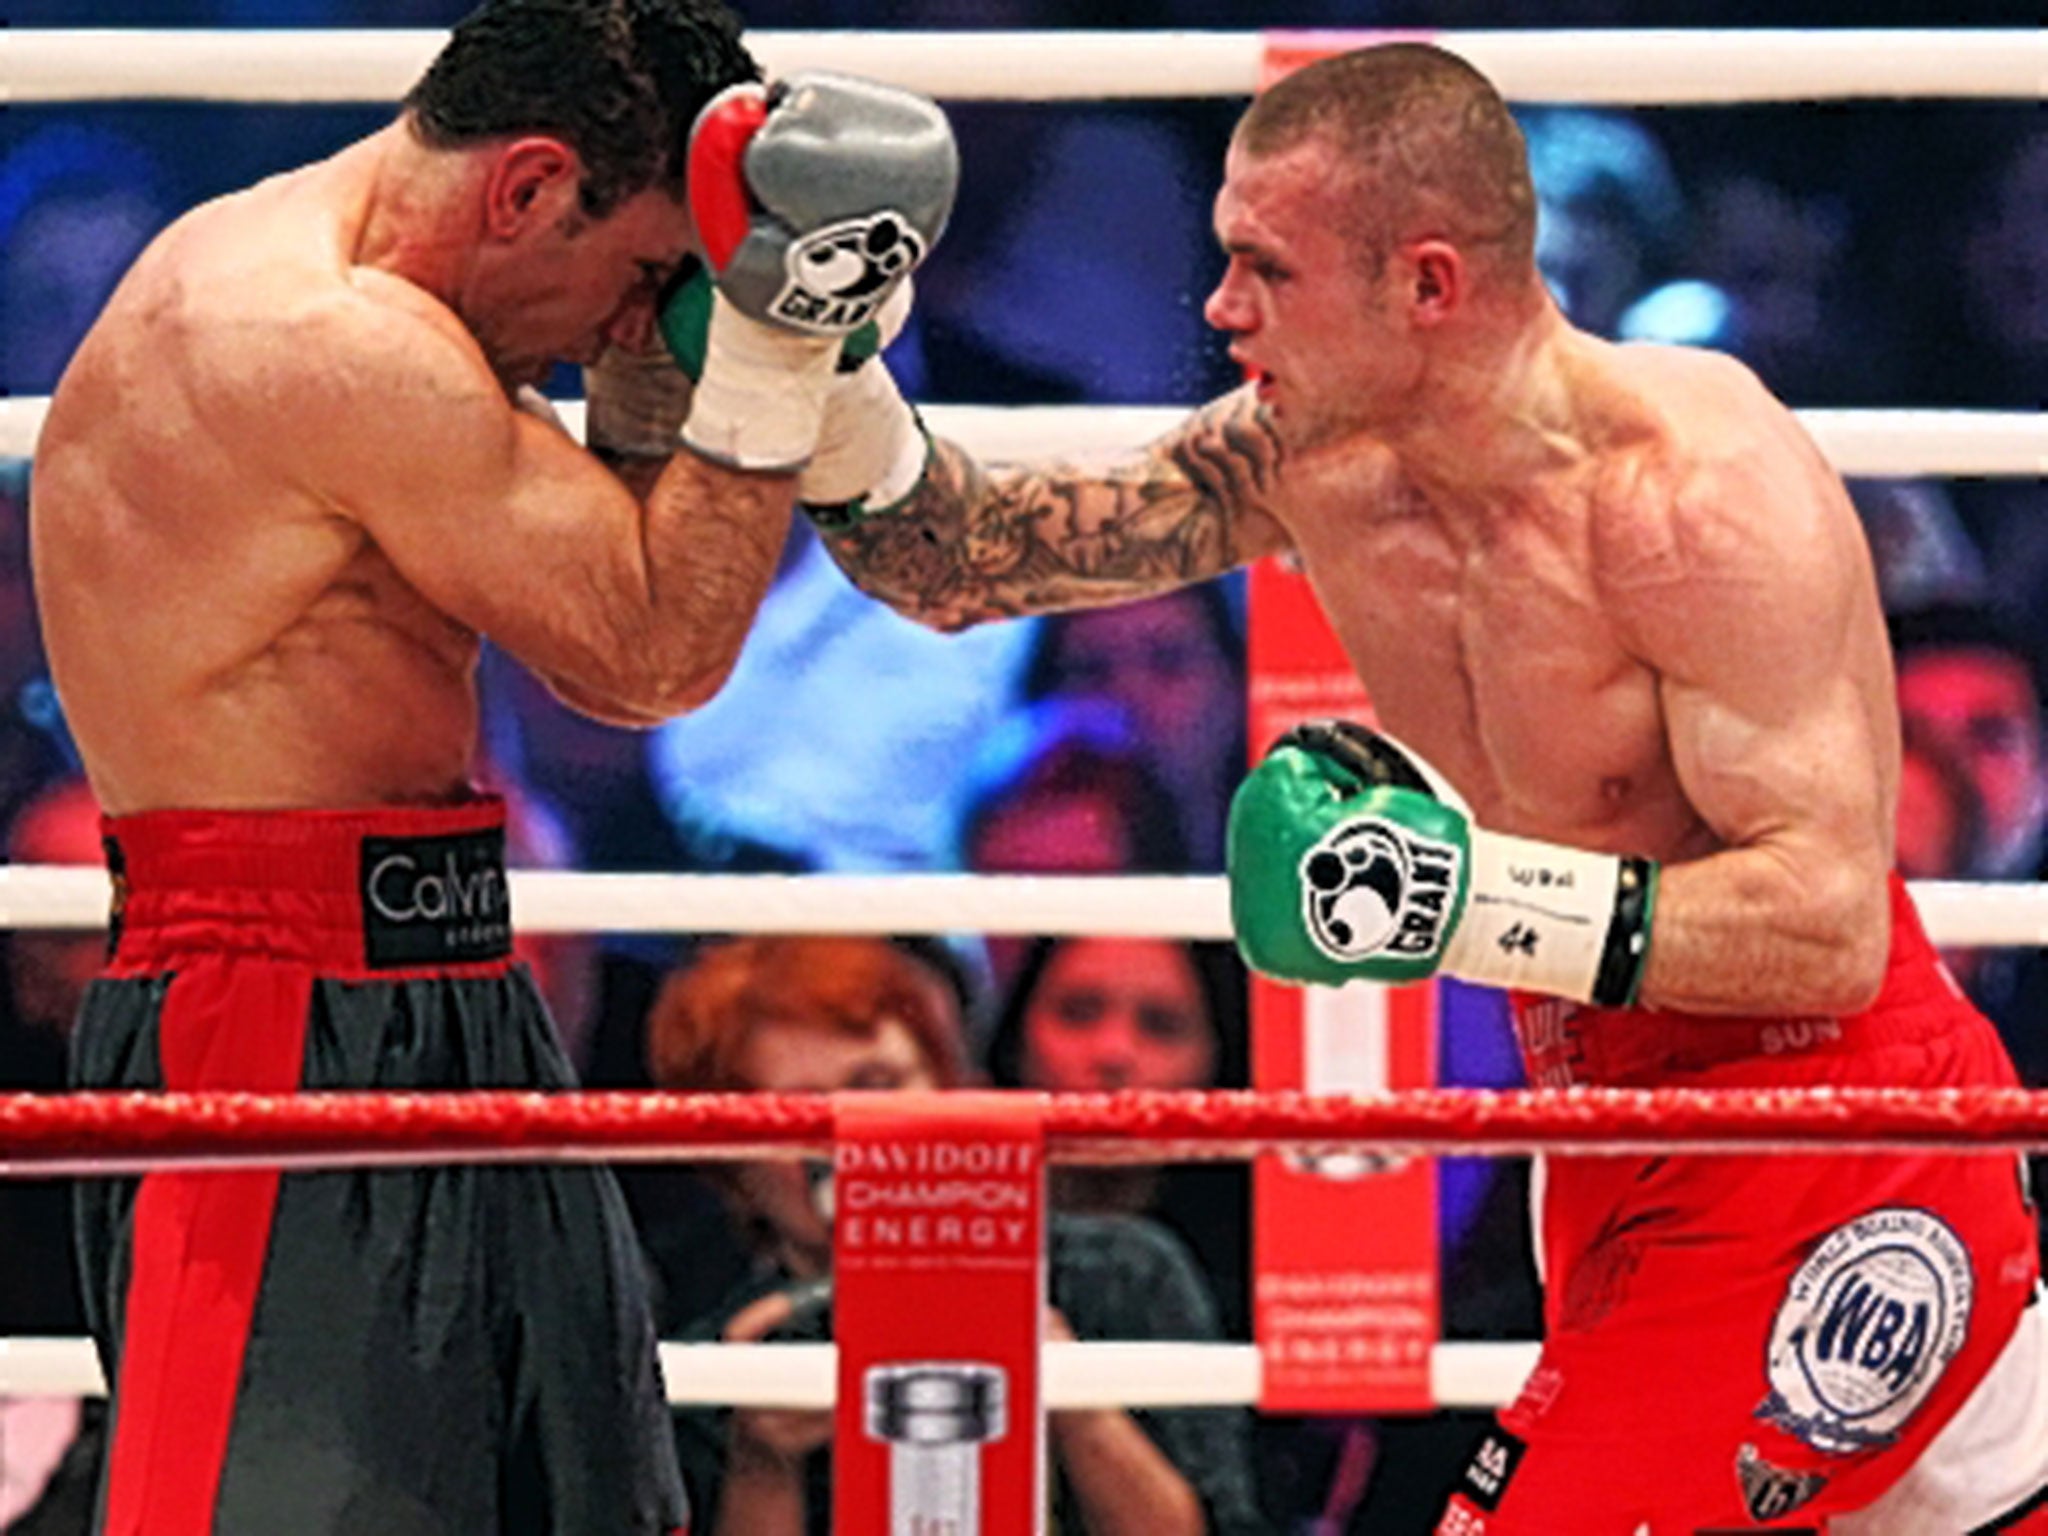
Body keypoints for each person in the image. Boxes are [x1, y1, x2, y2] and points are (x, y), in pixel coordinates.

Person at [792, 41, 2048, 1532]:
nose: (1220, 309)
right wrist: (808, 349)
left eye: (1266, 267)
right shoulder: (1308, 455)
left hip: (1814, 1127)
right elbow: (960, 562)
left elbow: (1825, 930)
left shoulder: (1696, 496)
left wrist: (1454, 897)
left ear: (1428, 286)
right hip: (1600, 1116)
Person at [26, 0, 956, 1526]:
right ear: (527, 187)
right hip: (272, 1017)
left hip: (453, 982)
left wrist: (699, 355)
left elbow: (621, 648)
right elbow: (648, 655)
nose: (628, 324)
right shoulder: (324, 337)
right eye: (648, 274)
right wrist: (773, 346)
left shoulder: (403, 307)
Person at [644, 933, 1269, 1536]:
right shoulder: (718, 1350)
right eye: (801, 1114)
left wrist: (1075, 1396)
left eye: (878, 1087)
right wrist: (764, 1464)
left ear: (949, 1090)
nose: (848, 1139)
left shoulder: (1119, 1270)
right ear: (732, 1167)